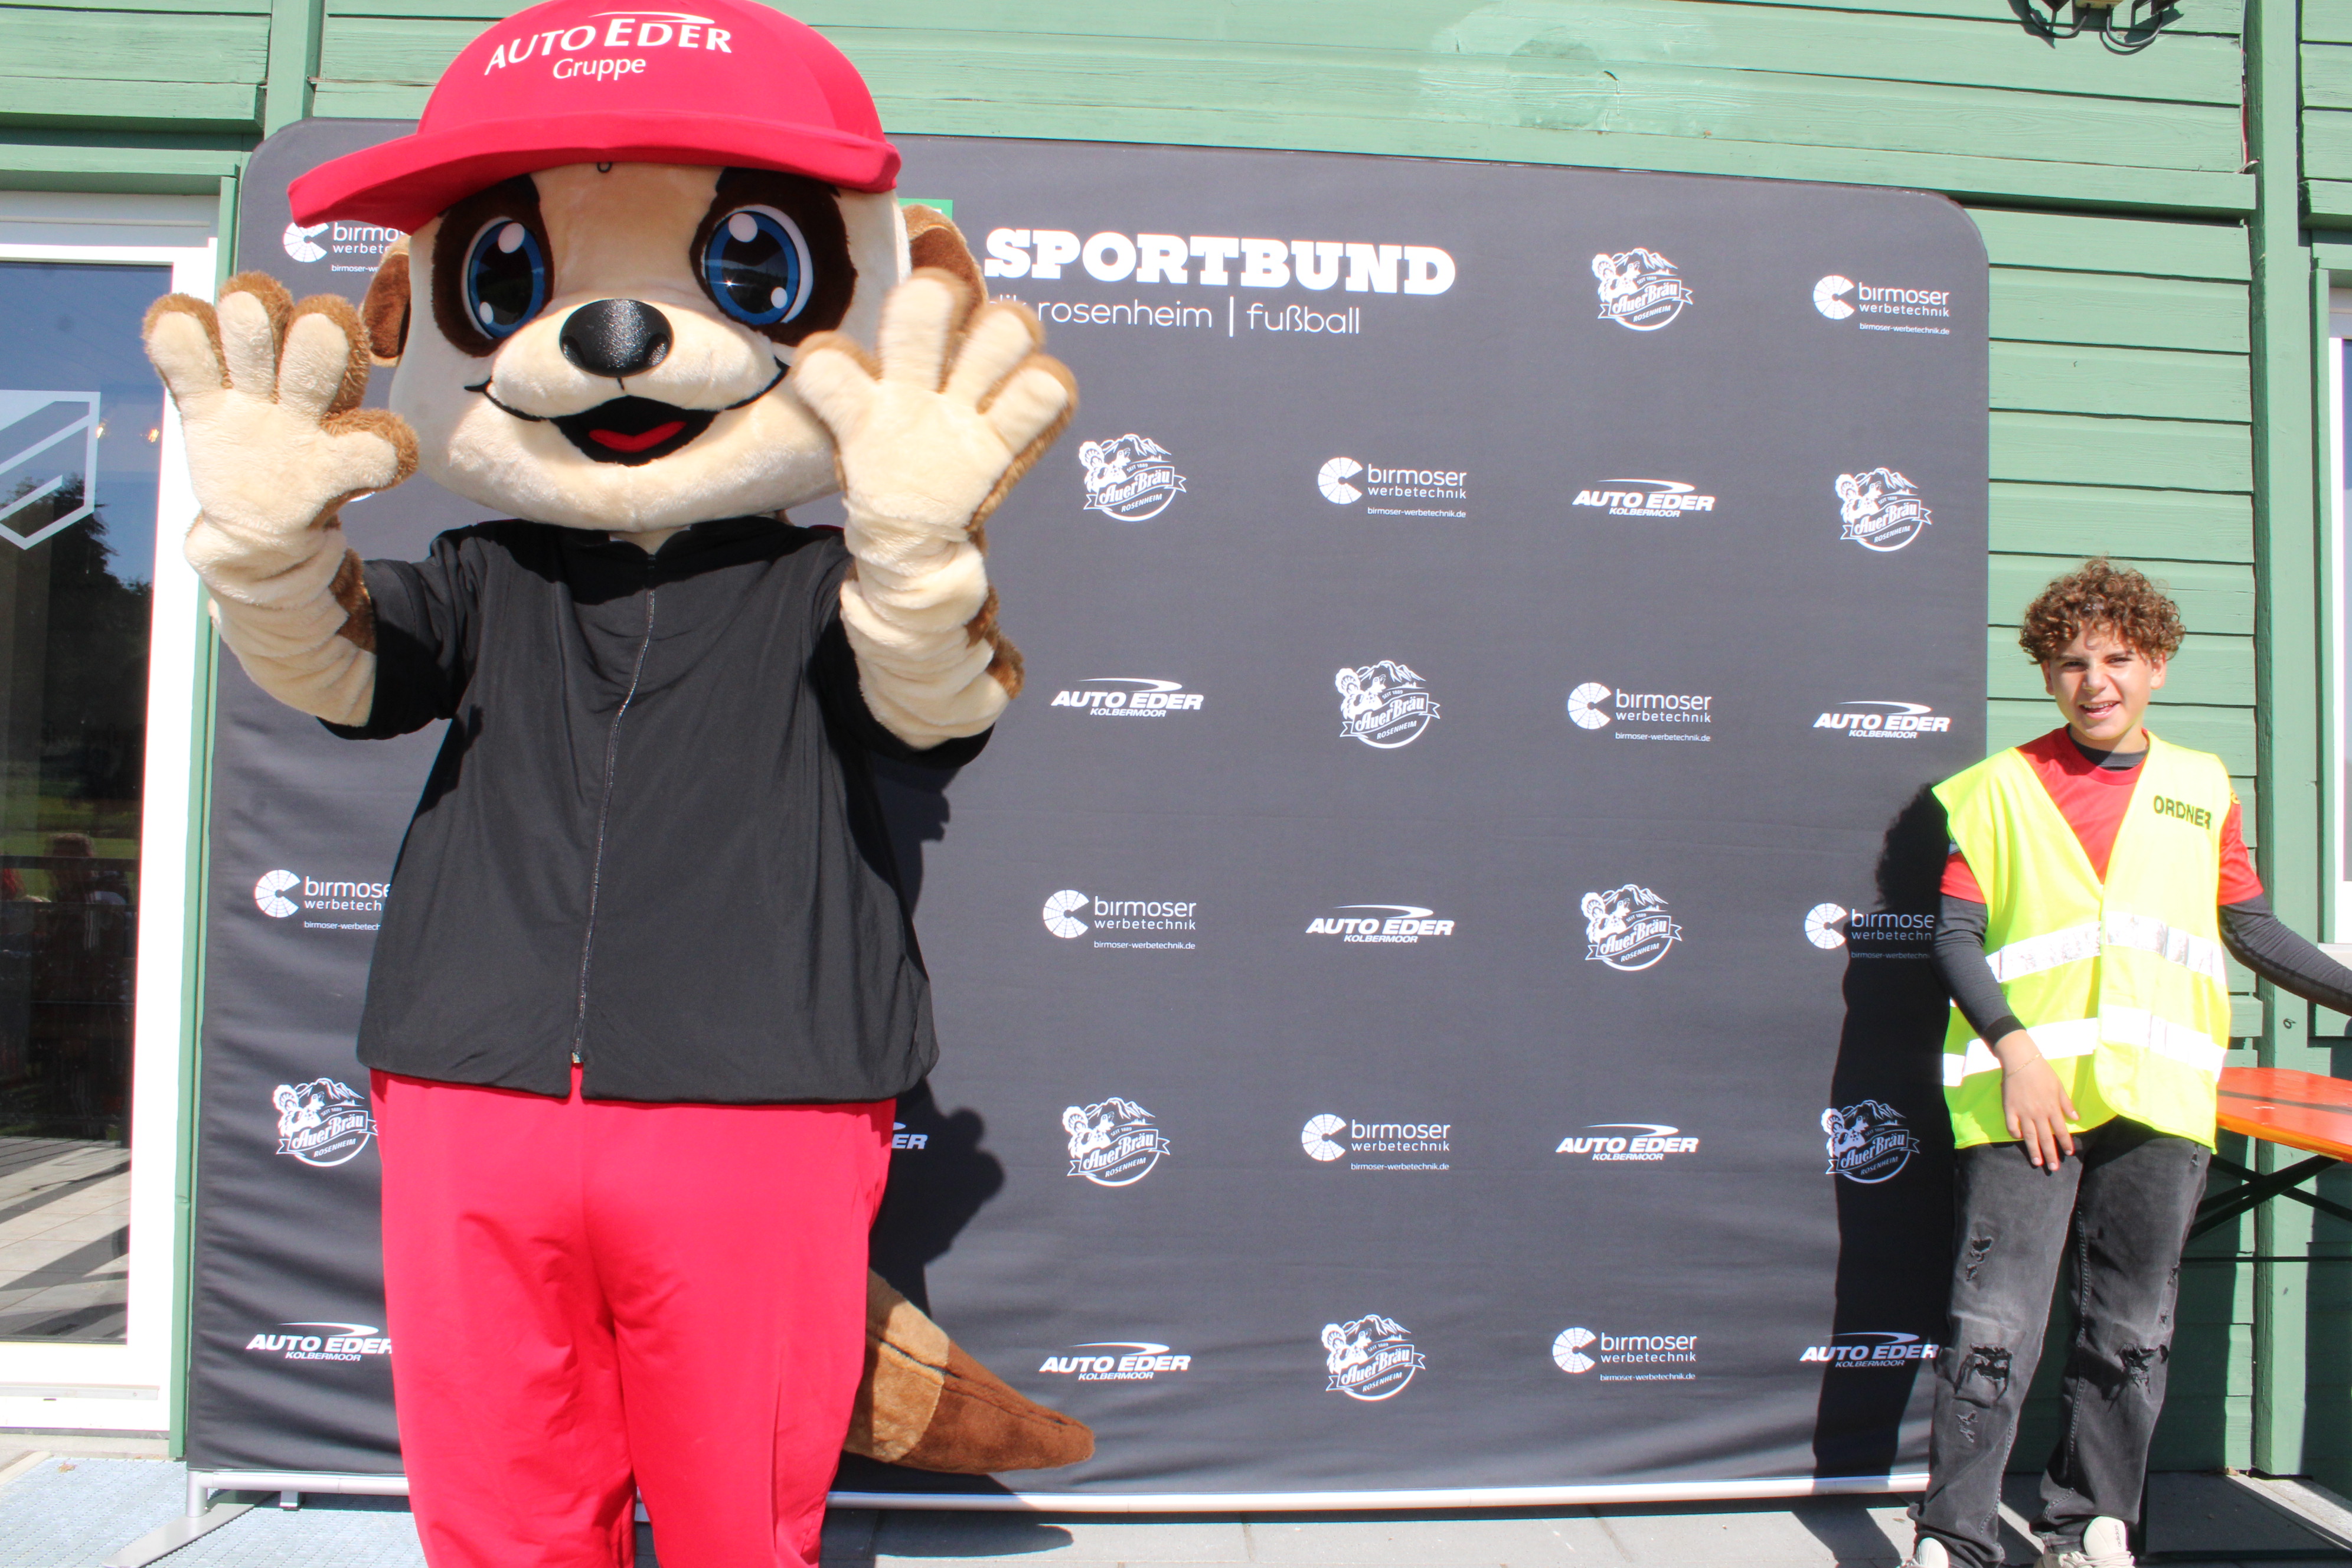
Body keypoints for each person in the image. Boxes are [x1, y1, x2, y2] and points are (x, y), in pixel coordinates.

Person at [1906, 559, 2352, 1568]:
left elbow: (2252, 929)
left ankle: (2090, 1522)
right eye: (2071, 663)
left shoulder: (2201, 786)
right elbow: (1954, 938)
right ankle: (1955, 1536)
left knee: (2132, 1327)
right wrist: (2016, 1051)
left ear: (2156, 665)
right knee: (1992, 1326)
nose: (2094, 681)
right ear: (2047, 675)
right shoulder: (1997, 790)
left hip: (2158, 1102)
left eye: (2116, 658)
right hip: (2028, 1101)